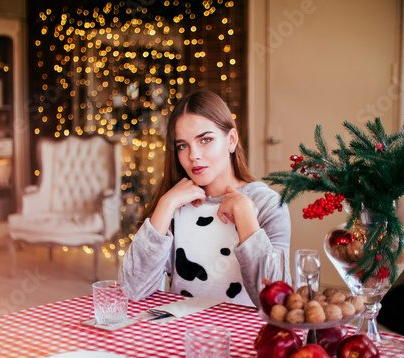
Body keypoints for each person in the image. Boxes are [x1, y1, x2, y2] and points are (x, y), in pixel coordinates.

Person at [119, 90, 291, 308]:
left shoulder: (268, 205)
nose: (193, 155)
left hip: (244, 339)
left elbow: (278, 302)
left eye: (205, 140)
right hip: (179, 334)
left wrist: (245, 214)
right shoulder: (176, 204)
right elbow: (131, 290)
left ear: (231, 140)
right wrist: (166, 204)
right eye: (183, 145)